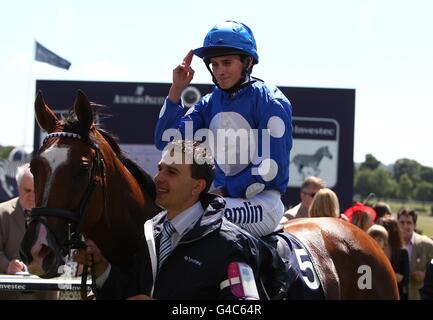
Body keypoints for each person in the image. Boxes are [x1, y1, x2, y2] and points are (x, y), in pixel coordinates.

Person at [75, 140, 289, 300]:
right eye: (160, 169)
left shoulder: (229, 244)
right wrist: (103, 269)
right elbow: (134, 292)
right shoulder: (151, 232)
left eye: (172, 172)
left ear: (198, 186)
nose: (158, 178)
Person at [154, 20, 293, 237]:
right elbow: (168, 143)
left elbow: (269, 168)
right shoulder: (209, 102)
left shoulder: (271, 101)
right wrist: (176, 89)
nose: (219, 71)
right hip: (221, 199)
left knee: (192, 218)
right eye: (215, 64)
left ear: (247, 63)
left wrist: (224, 190)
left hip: (262, 203)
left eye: (226, 63)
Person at [0, 163, 58, 299]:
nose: (33, 196)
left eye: (37, 190)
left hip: (45, 293)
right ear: (18, 188)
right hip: (10, 294)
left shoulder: (55, 217)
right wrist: (7, 266)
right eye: (27, 190)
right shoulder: (2, 213)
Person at [397, 208, 433, 300]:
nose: (405, 226)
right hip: (396, 293)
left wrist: (426, 275)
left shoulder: (428, 244)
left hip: (417, 294)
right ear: (397, 223)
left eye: (409, 223)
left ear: (415, 225)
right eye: (402, 222)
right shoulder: (390, 243)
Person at [379, 216, 410, 300]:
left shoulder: (403, 253)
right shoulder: (377, 250)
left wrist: (384, 273)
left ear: (388, 231)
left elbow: (405, 280)